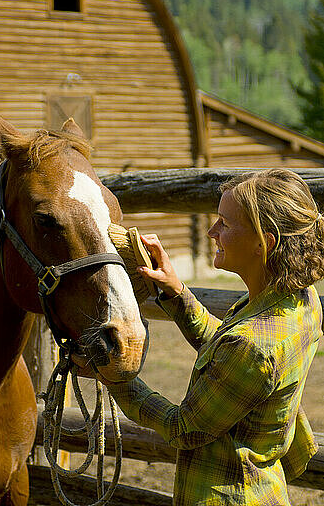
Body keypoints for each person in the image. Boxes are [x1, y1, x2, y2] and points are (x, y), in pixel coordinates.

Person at [75, 169, 324, 506]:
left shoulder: (254, 346)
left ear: (264, 243)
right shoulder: (297, 300)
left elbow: (183, 429)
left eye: (224, 223)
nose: (211, 232)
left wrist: (115, 378)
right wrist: (177, 293)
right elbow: (226, 349)